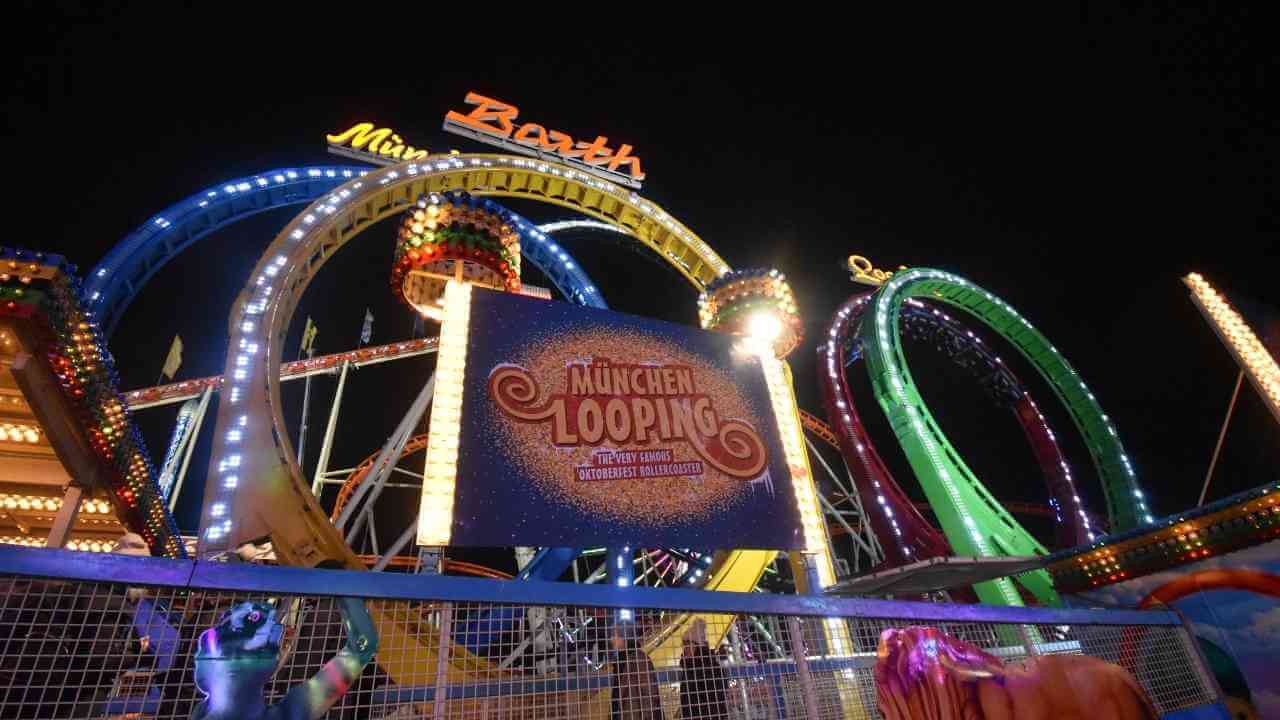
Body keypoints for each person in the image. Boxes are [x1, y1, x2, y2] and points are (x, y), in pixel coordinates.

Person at [190, 595, 377, 720]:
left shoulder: (290, 711)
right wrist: (345, 587)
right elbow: (362, 646)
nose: (275, 633)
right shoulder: (291, 711)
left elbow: (362, 647)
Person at [610, 624, 663, 720]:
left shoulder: (638, 658)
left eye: (615, 635)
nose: (612, 639)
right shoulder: (621, 660)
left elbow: (649, 692)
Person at [678, 619, 729, 719]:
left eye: (688, 645)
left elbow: (717, 698)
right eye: (684, 645)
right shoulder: (690, 667)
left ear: (697, 646)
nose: (685, 649)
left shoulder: (708, 667)